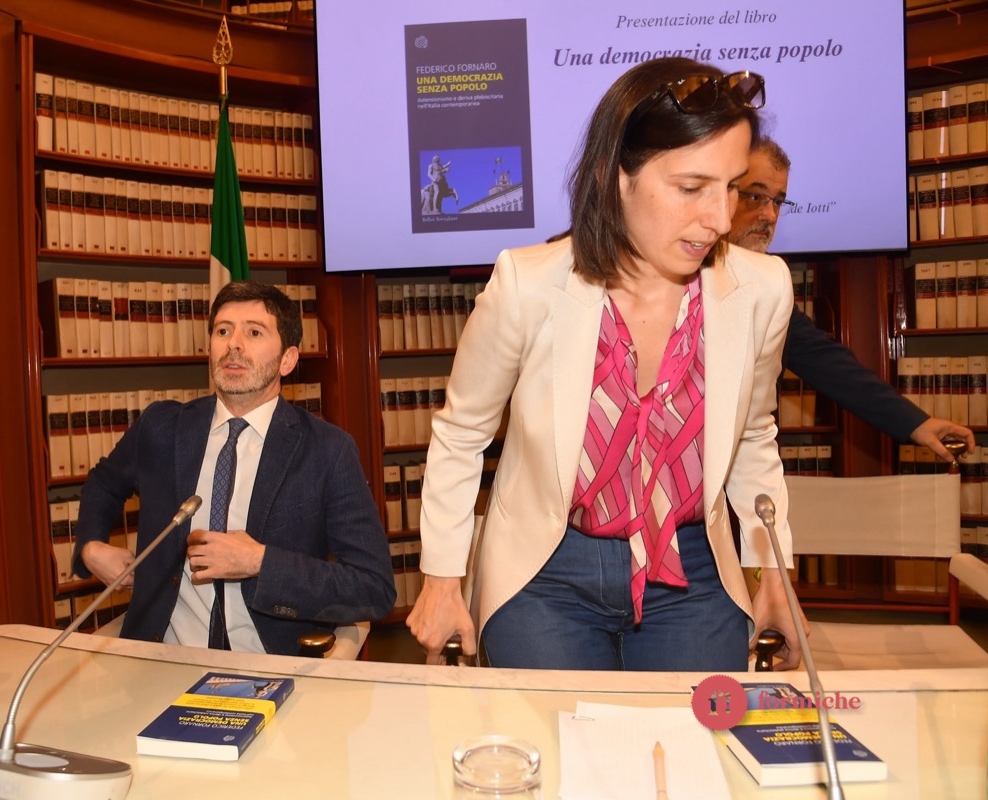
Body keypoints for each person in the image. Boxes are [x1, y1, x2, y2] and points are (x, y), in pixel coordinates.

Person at [407, 58, 800, 671]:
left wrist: (773, 572)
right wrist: (441, 579)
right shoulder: (527, 284)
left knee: (691, 733)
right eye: (691, 188)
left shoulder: (763, 289)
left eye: (732, 187)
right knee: (554, 738)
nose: (721, 220)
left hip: (694, 571)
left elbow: (753, 435)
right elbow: (462, 434)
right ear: (616, 175)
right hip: (547, 571)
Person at [72, 281, 395, 655]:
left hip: (269, 663)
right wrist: (91, 546)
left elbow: (373, 587)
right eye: (223, 331)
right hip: (165, 658)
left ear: (288, 360)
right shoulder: (161, 428)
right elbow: (103, 483)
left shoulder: (327, 450)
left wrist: (260, 563)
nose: (233, 345)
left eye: (254, 332)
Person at [729, 137, 975, 459]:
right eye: (755, 197)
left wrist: (917, 423)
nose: (770, 215)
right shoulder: (683, 278)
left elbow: (830, 364)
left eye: (778, 201)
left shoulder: (768, 284)